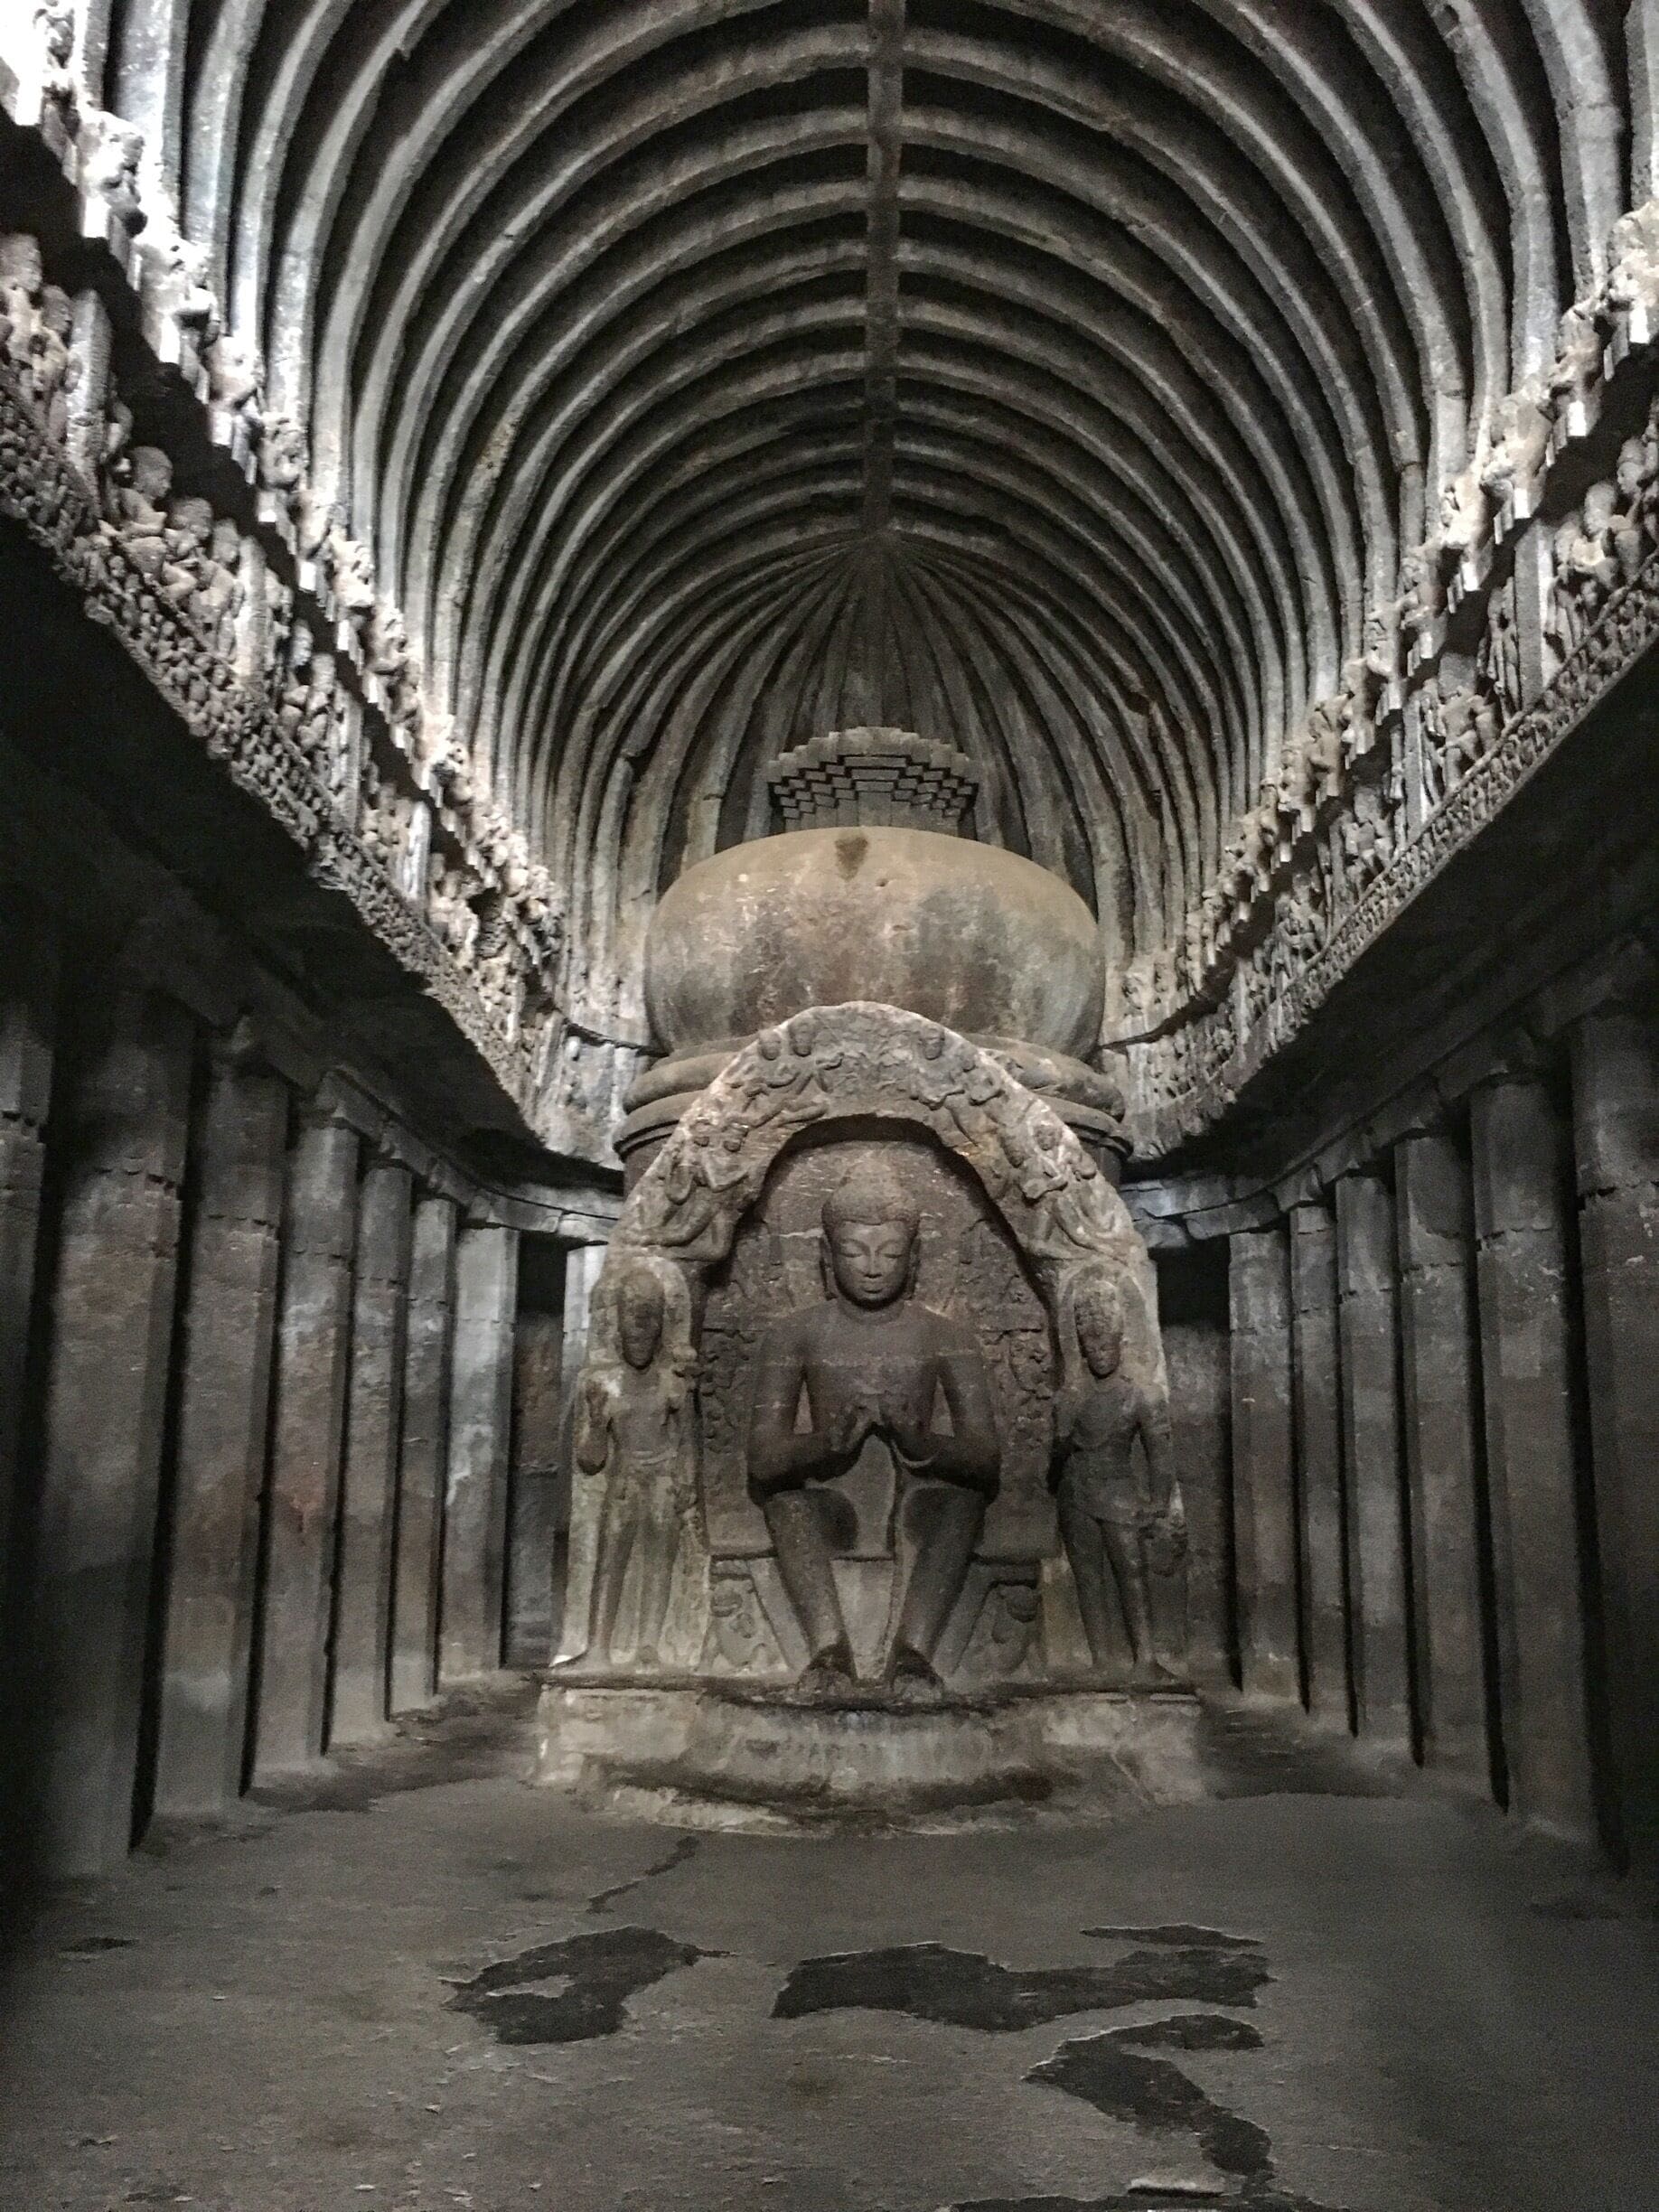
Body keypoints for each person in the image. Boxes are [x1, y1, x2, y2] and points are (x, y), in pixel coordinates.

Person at [747, 1167, 999, 1692]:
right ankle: (828, 1651)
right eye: (855, 1252)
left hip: (915, 1501)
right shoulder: (794, 1335)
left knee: (960, 1502)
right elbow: (764, 1461)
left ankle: (913, 1654)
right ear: (826, 1257)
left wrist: (922, 1442)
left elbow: (985, 1458)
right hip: (830, 1499)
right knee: (788, 1504)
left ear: (914, 1260)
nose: (871, 1268)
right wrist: (824, 1442)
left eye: (889, 1253)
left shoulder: (944, 1336)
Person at [1053, 1270, 1186, 1682]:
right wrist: (1063, 1430)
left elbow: (1160, 1454)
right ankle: (1101, 1659)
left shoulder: (1142, 1393)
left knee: (1131, 1571)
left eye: (1106, 1343)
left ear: (1120, 1342)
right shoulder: (1072, 1395)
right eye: (1091, 1344)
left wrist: (1159, 1502)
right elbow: (1054, 1454)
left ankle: (1145, 1656)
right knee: (1088, 1575)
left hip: (1121, 1490)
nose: (1100, 1353)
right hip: (1076, 1492)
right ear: (1082, 1346)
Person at [572, 1264, 691, 1670]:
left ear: (662, 1325)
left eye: (650, 1316)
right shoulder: (601, 1384)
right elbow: (590, 1461)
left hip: (661, 1481)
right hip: (622, 1483)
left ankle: (648, 1647)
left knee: (659, 1563)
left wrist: (683, 1480)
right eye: (631, 1315)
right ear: (616, 1321)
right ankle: (598, 1648)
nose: (640, 1327)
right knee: (610, 1562)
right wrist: (596, 1420)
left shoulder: (672, 1382)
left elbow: (688, 1442)